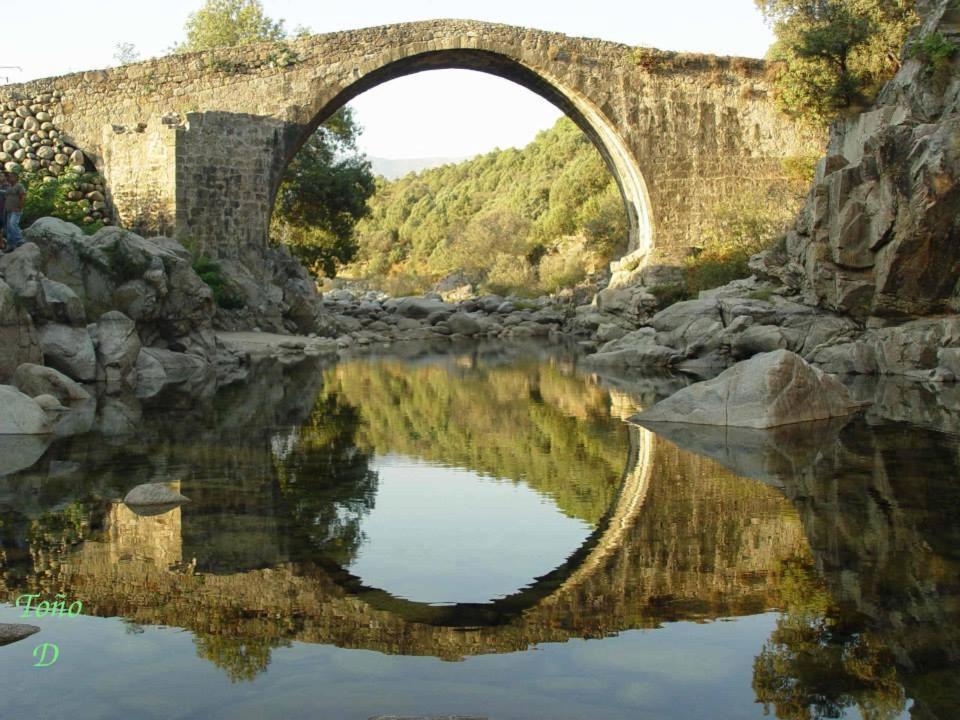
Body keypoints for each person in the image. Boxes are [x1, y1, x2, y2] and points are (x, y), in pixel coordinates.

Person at [3, 171, 26, 253]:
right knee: (9, 228)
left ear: (15, 178)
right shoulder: (9, 187)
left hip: (16, 210)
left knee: (13, 224)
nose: (9, 178)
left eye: (11, 176)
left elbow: (23, 196)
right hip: (8, 210)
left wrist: (19, 207)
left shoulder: (19, 186)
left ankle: (20, 240)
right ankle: (10, 245)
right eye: (8, 177)